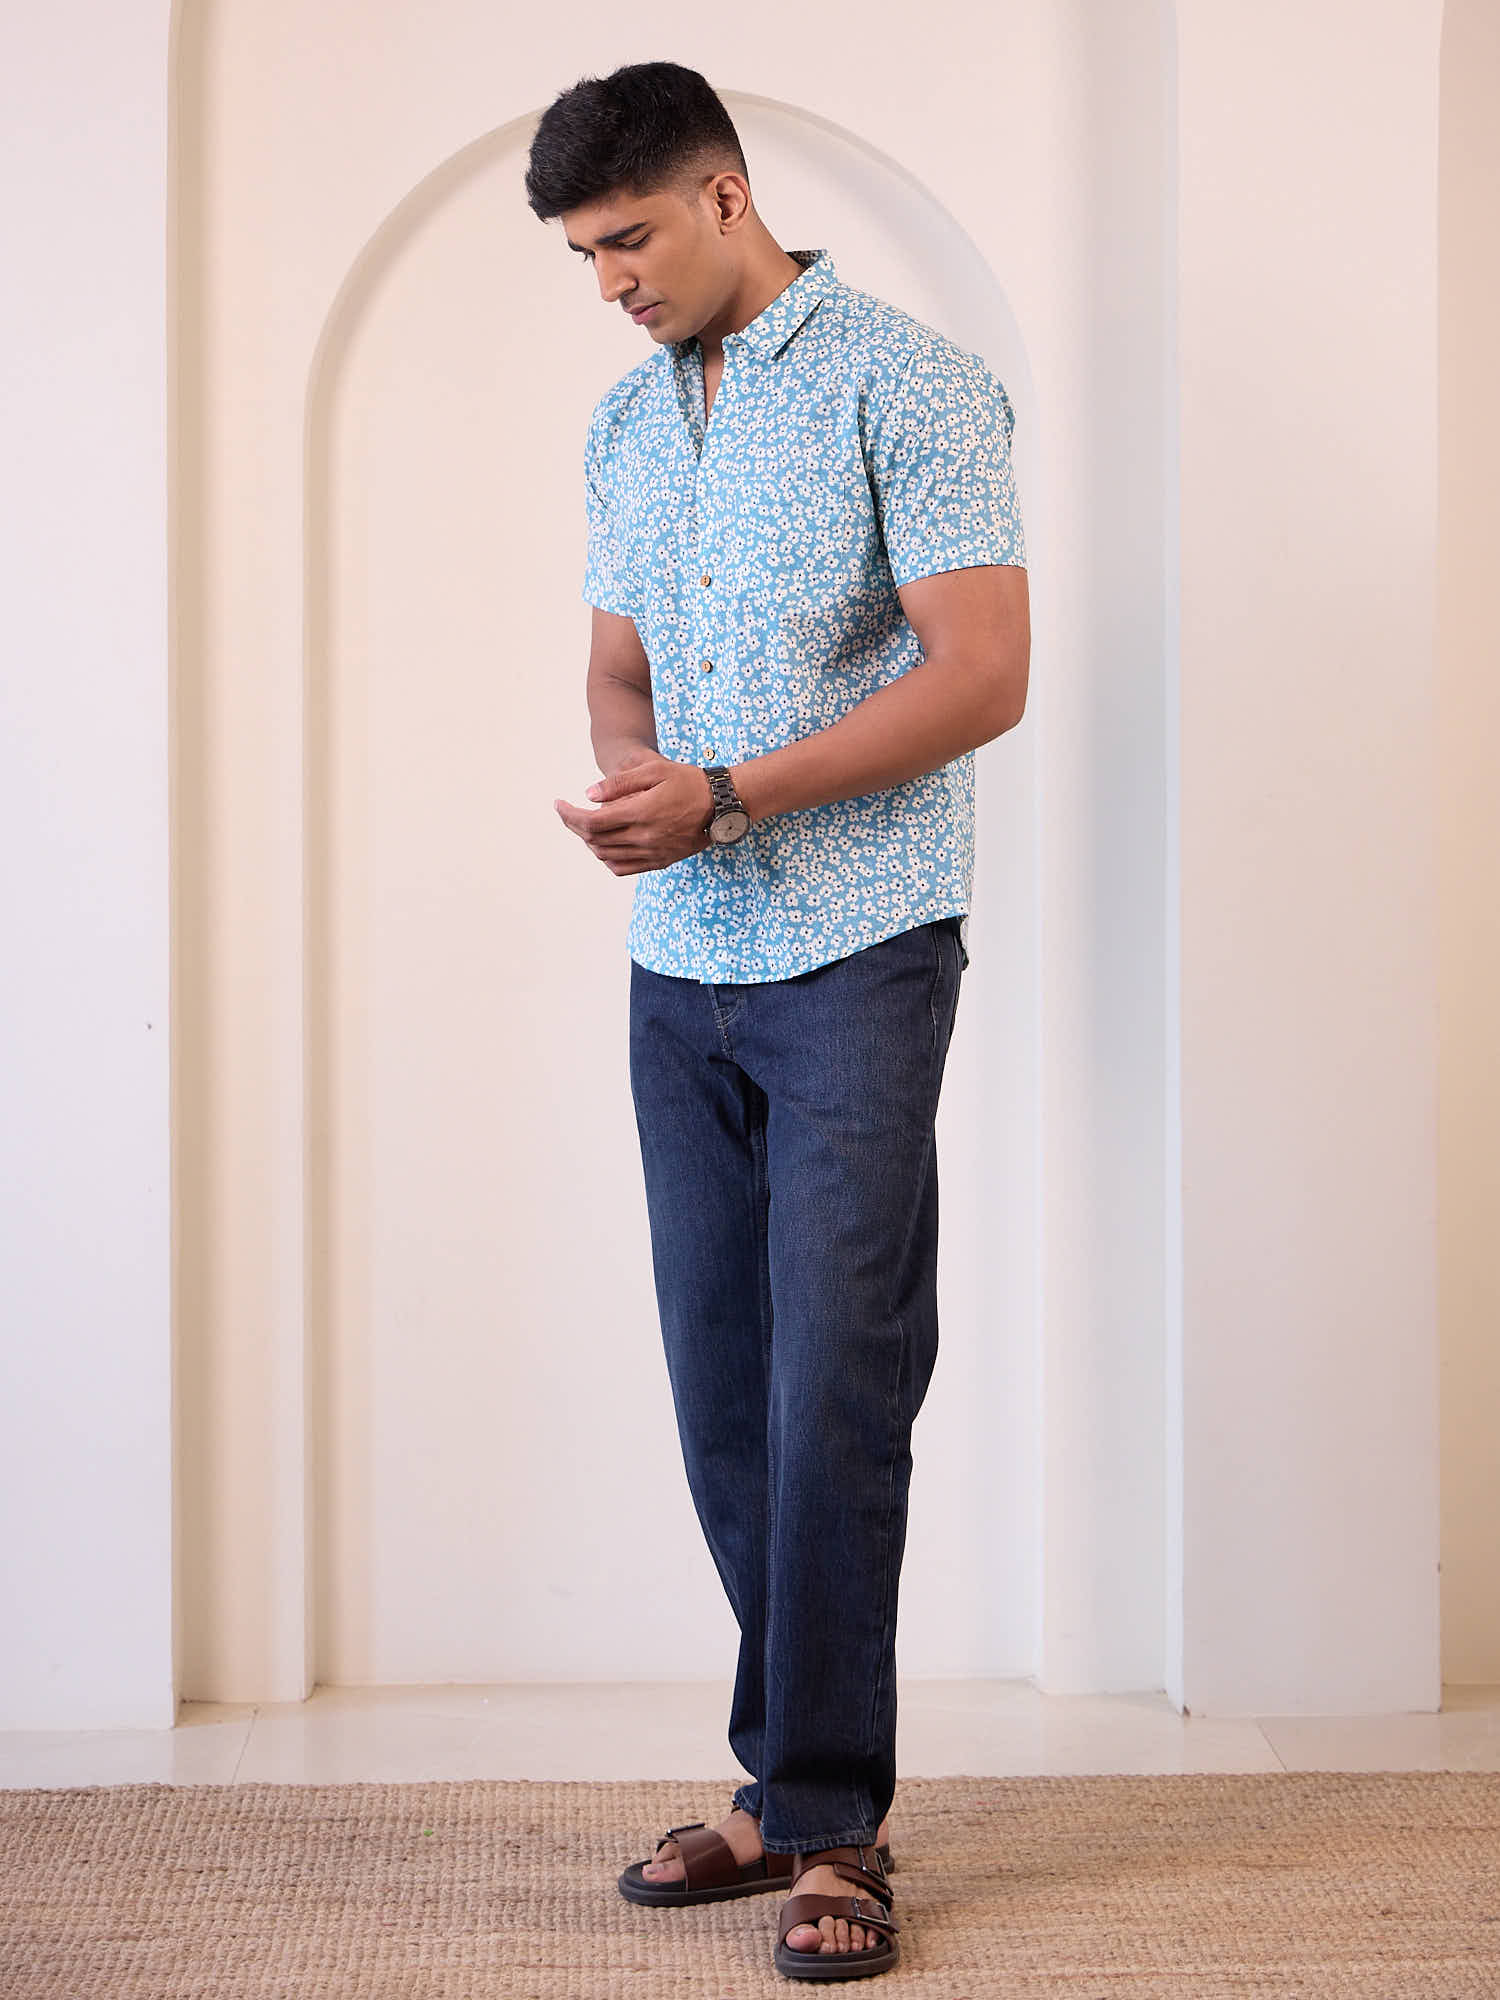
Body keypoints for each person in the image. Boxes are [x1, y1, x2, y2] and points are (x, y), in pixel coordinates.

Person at [526, 60, 1028, 1982]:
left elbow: (983, 673)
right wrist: (635, 788)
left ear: (726, 195)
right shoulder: (622, 422)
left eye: (630, 239)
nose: (611, 282)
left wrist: (730, 798)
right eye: (585, 256)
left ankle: (830, 1823)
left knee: (837, 1386)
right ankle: (787, 1782)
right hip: (681, 966)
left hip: (862, 951)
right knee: (726, 1389)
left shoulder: (913, 382)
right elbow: (617, 667)